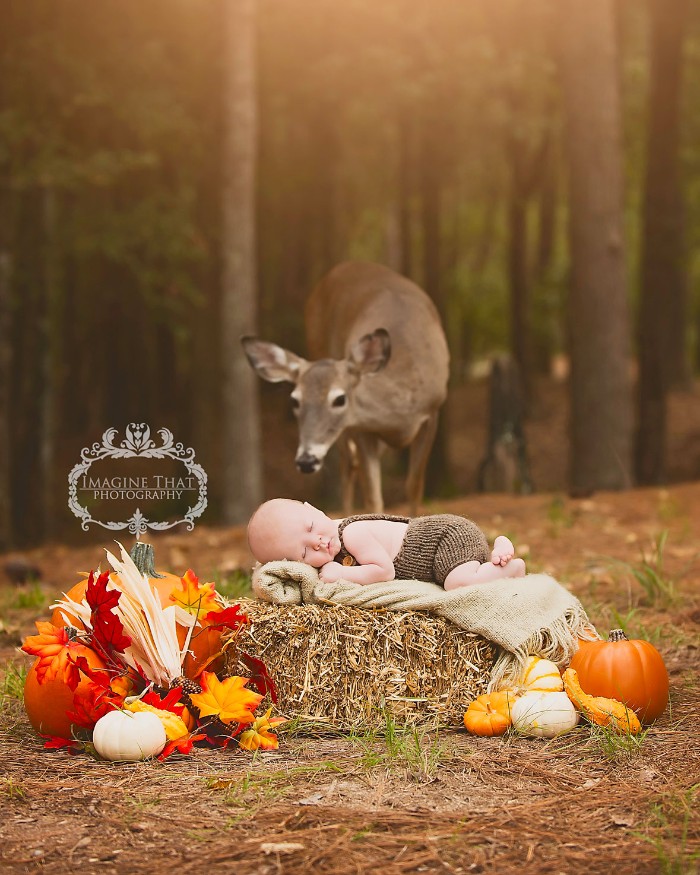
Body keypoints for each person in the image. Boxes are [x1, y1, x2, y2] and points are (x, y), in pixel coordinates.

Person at [247, 498, 526, 591]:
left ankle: (509, 568)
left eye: (310, 528)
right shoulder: (331, 539)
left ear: (315, 509)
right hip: (440, 551)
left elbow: (384, 571)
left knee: (457, 583)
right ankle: (493, 556)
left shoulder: (351, 534)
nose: (318, 543)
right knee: (461, 573)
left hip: (445, 538)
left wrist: (343, 574)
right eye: (305, 551)